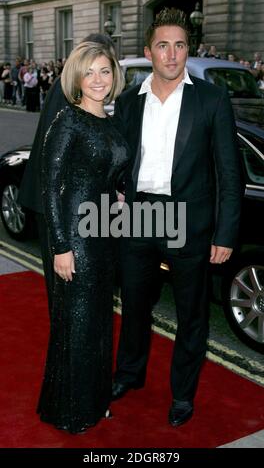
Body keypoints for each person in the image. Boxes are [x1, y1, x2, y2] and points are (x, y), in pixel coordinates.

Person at [112, 8, 242, 427]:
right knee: (133, 304)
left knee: (192, 313)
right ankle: (129, 374)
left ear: (190, 50)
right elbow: (119, 161)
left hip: (189, 219)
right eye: (163, 45)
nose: (172, 54)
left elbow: (229, 173)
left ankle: (182, 394)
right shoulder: (128, 102)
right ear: (149, 51)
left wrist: (225, 233)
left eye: (180, 45)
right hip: (138, 216)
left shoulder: (212, 99)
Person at [37, 41, 129, 434]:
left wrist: (118, 194)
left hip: (103, 235)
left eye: (104, 71)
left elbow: (108, 174)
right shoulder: (67, 120)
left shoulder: (109, 122)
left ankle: (95, 400)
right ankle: (70, 411)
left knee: (98, 323)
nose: (97, 79)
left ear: (114, 77)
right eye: (89, 72)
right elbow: (50, 185)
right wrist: (60, 246)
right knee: (76, 324)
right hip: (75, 239)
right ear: (76, 77)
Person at [18, 33, 115, 314]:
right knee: (66, 298)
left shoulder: (66, 86)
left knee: (67, 296)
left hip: (55, 202)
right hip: (57, 207)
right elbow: (60, 163)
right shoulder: (70, 92)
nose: (101, 76)